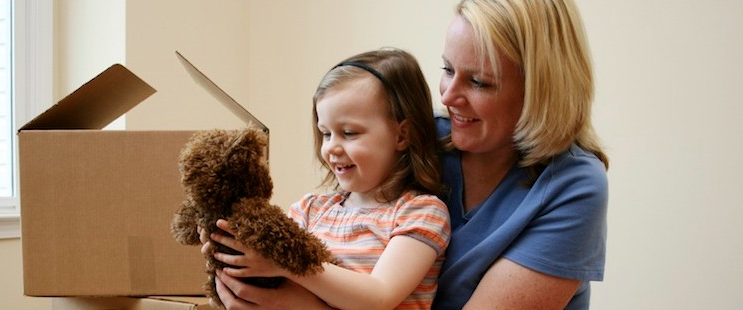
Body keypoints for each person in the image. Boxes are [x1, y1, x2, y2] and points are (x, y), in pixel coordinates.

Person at [207, 0, 609, 309]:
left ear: (539, 88)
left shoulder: (572, 186)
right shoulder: (418, 139)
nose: (448, 97)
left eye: (480, 82)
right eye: (448, 69)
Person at [204, 48, 451, 309]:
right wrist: (228, 251)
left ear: (401, 136)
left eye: (349, 132)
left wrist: (288, 262)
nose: (331, 147)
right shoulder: (311, 209)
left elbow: (379, 296)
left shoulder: (421, 213)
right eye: (326, 133)